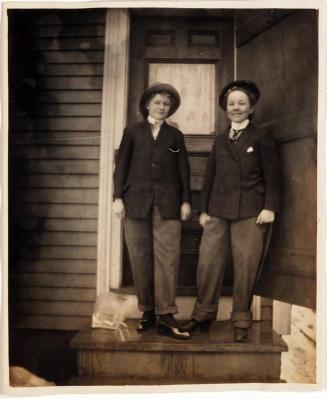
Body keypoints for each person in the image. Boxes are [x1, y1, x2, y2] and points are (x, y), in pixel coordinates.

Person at [181, 80, 280, 342]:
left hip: (250, 212)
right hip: (217, 212)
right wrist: (203, 210)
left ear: (251, 108)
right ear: (226, 108)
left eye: (241, 103)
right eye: (231, 104)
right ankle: (202, 315)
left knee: (245, 266)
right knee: (208, 263)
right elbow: (210, 176)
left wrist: (270, 207)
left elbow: (273, 176)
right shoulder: (220, 139)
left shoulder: (261, 137)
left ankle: (241, 320)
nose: (236, 108)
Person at [112, 82, 191, 340]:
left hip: (167, 204)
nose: (161, 107)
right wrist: (117, 198)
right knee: (139, 256)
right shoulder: (133, 131)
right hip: (135, 202)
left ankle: (166, 314)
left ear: (171, 109)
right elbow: (121, 165)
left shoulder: (175, 136)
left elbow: (183, 170)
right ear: (147, 104)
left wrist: (185, 201)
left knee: (168, 259)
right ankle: (147, 310)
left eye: (166, 104)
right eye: (157, 102)